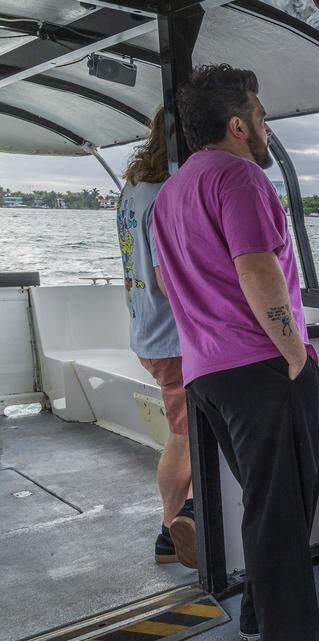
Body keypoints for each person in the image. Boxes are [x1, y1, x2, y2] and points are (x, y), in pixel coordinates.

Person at [152, 64, 319, 641]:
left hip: (208, 374)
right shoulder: (239, 177)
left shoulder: (171, 192)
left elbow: (167, 284)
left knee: (266, 505)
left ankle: (260, 619)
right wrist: (293, 353)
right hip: (263, 369)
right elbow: (256, 269)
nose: (267, 129)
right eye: (261, 117)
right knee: (285, 509)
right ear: (238, 125)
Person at [115, 106, 195, 568]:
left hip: (147, 329)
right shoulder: (168, 193)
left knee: (182, 433)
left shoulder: (133, 189)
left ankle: (179, 522)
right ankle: (170, 532)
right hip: (175, 339)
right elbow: (171, 278)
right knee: (185, 437)